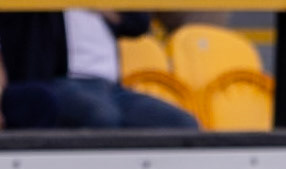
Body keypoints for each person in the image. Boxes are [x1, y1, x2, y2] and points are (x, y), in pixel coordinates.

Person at [0, 11, 198, 130]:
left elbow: (138, 21)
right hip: (60, 83)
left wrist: (101, 6)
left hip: (112, 89)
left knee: (182, 123)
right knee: (101, 116)